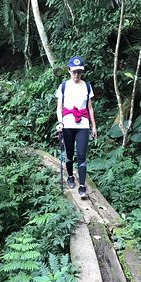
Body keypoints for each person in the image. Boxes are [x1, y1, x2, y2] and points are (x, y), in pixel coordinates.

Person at [55, 55, 97, 199]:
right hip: (67, 125)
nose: (76, 74)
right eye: (74, 71)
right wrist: (60, 123)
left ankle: (82, 186)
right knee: (69, 154)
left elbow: (90, 108)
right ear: (69, 71)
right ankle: (71, 176)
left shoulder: (87, 86)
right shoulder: (64, 86)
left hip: (83, 125)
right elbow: (59, 108)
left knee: (81, 155)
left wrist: (94, 126)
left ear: (82, 72)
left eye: (79, 71)